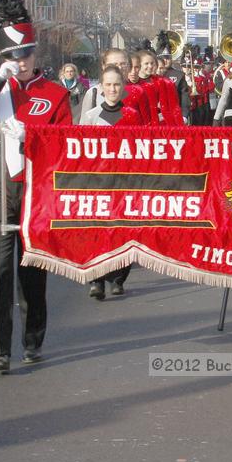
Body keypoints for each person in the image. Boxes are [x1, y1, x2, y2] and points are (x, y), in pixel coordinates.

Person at [0, 0, 72, 374]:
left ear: (34, 52)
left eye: (25, 53)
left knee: (31, 272)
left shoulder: (55, 93)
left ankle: (32, 339)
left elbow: (65, 145)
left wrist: (37, 139)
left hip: (35, 192)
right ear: (3, 56)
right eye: (13, 55)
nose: (21, 61)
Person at [80, 64, 146, 299]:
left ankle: (118, 277)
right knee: (97, 231)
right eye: (108, 84)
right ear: (102, 86)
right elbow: (80, 149)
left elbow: (141, 149)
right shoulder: (90, 116)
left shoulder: (132, 115)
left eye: (117, 84)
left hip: (125, 181)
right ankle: (96, 280)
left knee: (123, 229)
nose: (112, 89)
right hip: (98, 181)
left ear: (123, 86)